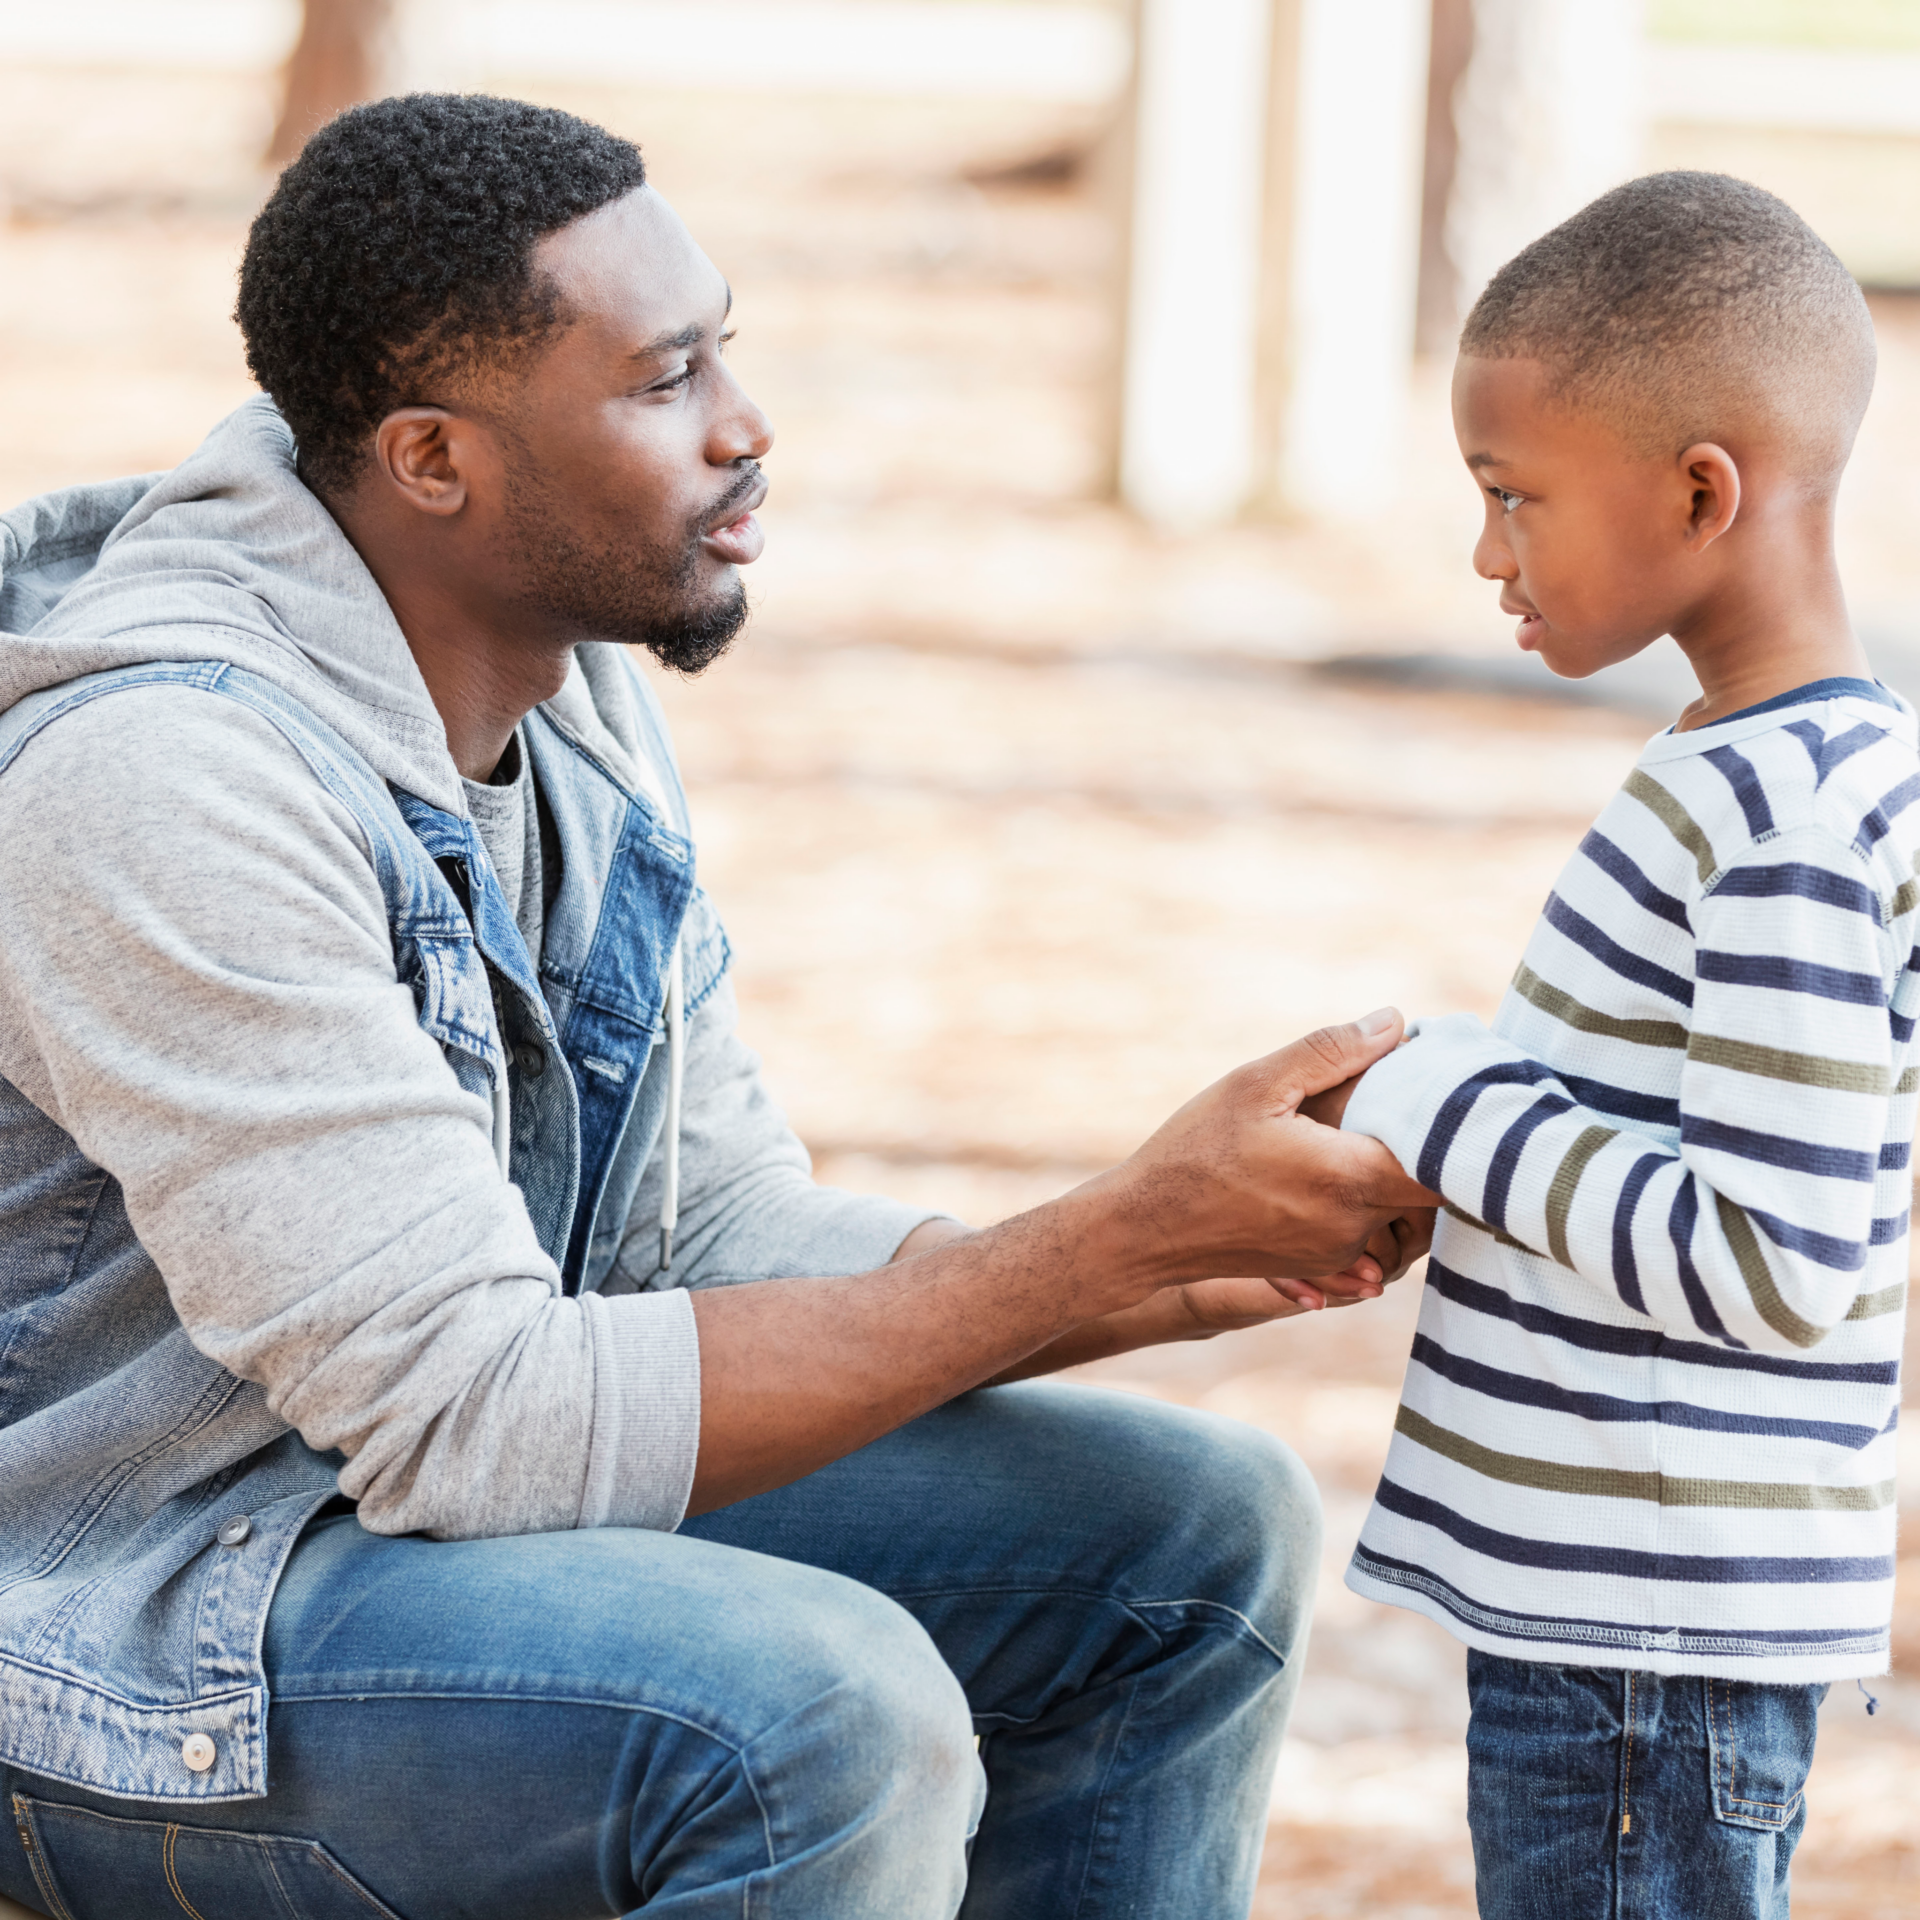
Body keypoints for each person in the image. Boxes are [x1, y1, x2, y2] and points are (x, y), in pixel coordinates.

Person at [0, 96, 1434, 1919]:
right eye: (664, 379)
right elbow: (476, 1418)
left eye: (723, 347)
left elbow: (704, 1227)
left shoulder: (561, 686)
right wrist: (1083, 1255)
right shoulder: (162, 776)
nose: (747, 429)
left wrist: (1156, 1269)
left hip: (370, 1522)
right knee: (811, 1720)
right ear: (434, 460)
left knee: (1191, 1542)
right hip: (121, 1621)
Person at [1312, 173, 1911, 1919]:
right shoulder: (1780, 770)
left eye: (1513, 498)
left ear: (1701, 491)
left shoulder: (1784, 816)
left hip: (1652, 1631)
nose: (1487, 552)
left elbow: (1773, 1250)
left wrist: (1444, 1095)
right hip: (1640, 1611)